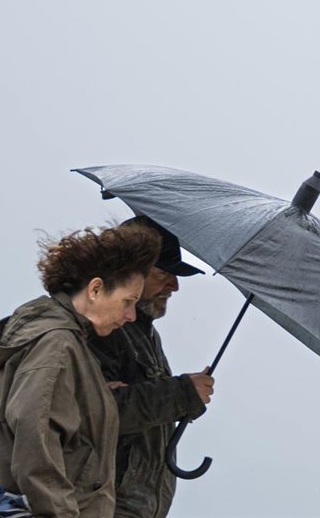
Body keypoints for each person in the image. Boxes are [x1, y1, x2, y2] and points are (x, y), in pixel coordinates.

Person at [0, 223, 161, 518]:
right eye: (128, 302)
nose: (130, 315)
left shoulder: (71, 344)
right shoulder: (57, 345)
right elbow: (36, 442)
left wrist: (95, 398)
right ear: (95, 289)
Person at [88, 215, 216, 518]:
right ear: (130, 272)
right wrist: (182, 394)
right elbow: (96, 413)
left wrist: (184, 397)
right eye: (164, 273)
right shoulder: (101, 327)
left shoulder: (145, 334)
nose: (175, 286)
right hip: (102, 506)